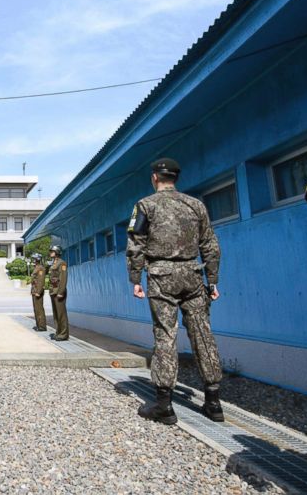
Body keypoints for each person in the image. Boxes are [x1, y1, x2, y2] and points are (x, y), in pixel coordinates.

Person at [126, 158, 224, 425]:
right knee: (202, 332)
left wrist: (135, 278)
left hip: (161, 276)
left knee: (165, 334)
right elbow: (211, 245)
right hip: (193, 274)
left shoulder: (145, 205)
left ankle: (164, 405)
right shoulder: (196, 205)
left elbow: (136, 244)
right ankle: (214, 402)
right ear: (175, 178)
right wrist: (212, 280)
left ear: (154, 177)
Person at [47, 246, 69, 341]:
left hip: (59, 291)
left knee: (61, 314)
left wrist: (61, 292)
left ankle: (63, 334)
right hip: (53, 291)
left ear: (56, 252)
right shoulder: (54, 263)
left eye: (52, 251)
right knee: (56, 314)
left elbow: (63, 278)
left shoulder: (62, 263)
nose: (50, 252)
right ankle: (58, 332)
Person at [29, 253, 47, 331]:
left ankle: (42, 326)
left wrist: (38, 292)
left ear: (37, 259)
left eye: (34, 259)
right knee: (36, 309)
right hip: (34, 290)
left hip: (37, 291)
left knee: (39, 309)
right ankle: (38, 325)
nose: (33, 260)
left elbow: (41, 281)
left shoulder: (41, 268)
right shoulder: (36, 268)